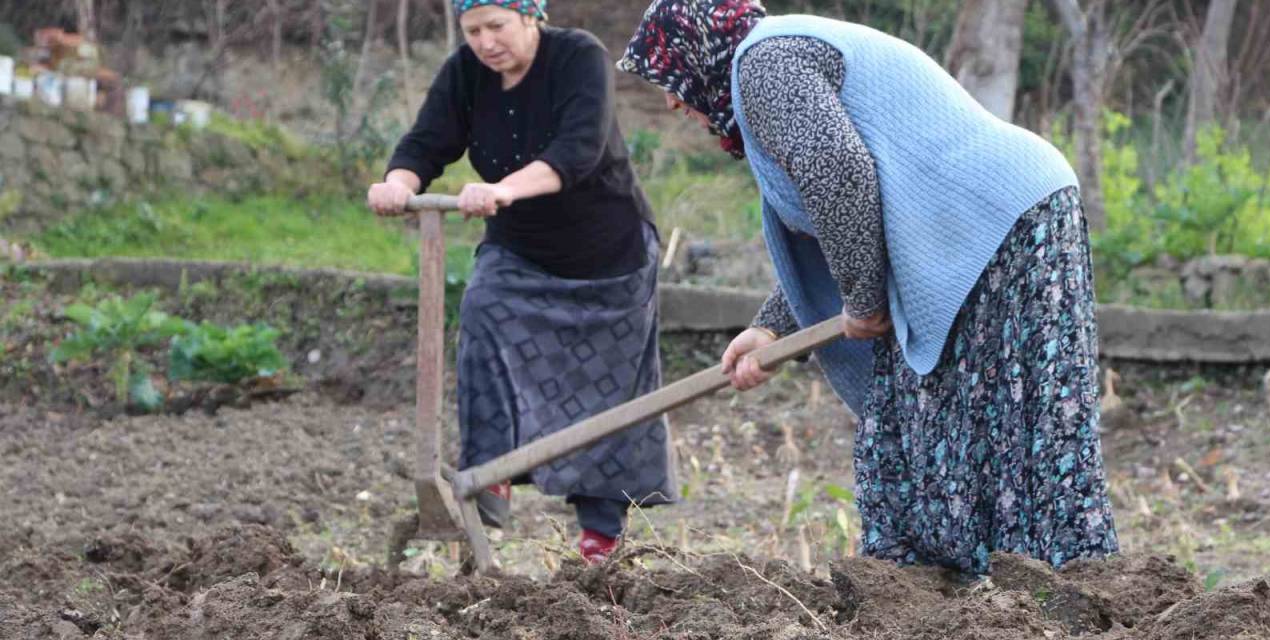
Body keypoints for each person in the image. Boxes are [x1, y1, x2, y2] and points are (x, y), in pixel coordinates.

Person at [619, 0, 1119, 575]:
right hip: (993, 220)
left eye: (670, 74)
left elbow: (841, 176)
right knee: (932, 420)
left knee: (1000, 417)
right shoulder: (770, 67)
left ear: (700, 51)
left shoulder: (764, 64)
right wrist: (771, 327)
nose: (671, 100)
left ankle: (1031, 590)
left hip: (997, 222)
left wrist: (862, 300)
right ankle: (950, 590)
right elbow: (831, 214)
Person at [369, 0, 673, 564]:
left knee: (603, 395)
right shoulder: (465, 72)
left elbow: (577, 150)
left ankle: (600, 537)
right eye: (473, 30)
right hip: (521, 249)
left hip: (608, 254)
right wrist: (397, 181)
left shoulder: (578, 56)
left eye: (497, 27)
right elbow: (426, 142)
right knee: (483, 310)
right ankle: (489, 480)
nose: (485, 43)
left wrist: (506, 188)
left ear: (532, 16)